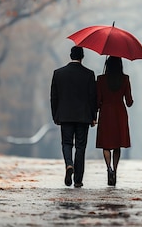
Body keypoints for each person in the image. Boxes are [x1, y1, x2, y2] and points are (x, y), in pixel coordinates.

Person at [50, 46, 97, 188]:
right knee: (80, 147)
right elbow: (92, 98)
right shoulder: (89, 74)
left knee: (66, 143)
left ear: (70, 56)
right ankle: (78, 180)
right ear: (82, 57)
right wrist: (93, 116)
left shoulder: (58, 73)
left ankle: (69, 164)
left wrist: (55, 115)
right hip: (83, 117)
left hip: (65, 116)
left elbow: (54, 97)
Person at [95, 56, 134, 186]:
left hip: (106, 113)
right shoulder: (125, 79)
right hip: (119, 114)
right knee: (117, 144)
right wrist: (130, 101)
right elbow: (129, 102)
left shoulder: (100, 79)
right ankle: (115, 170)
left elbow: (97, 101)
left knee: (106, 144)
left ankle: (108, 168)